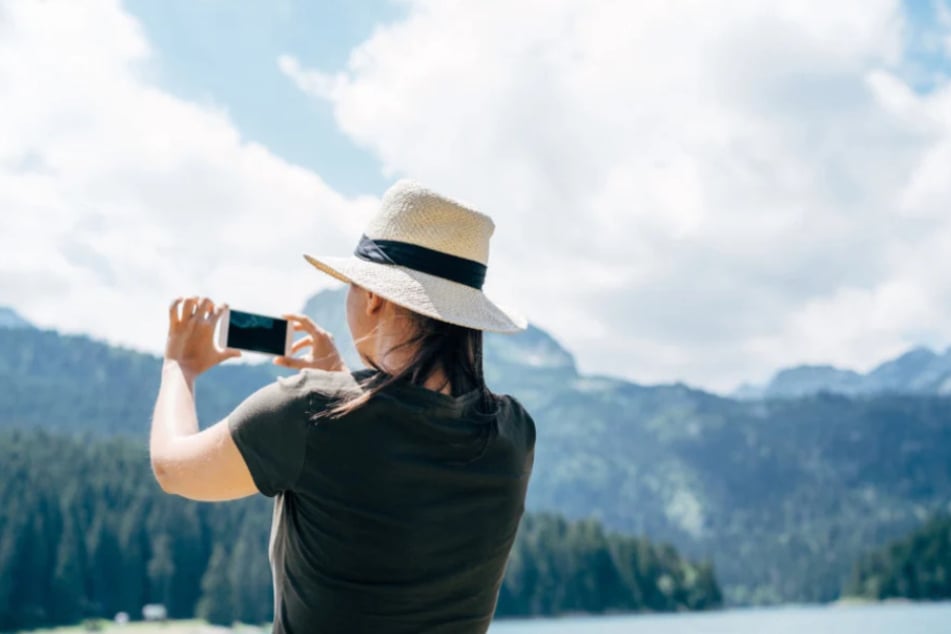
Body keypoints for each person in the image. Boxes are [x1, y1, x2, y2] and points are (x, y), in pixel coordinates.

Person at [149, 180, 536, 633]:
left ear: (374, 297)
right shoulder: (513, 432)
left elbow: (174, 469)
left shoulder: (306, 411)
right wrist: (340, 382)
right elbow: (392, 457)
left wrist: (179, 366)